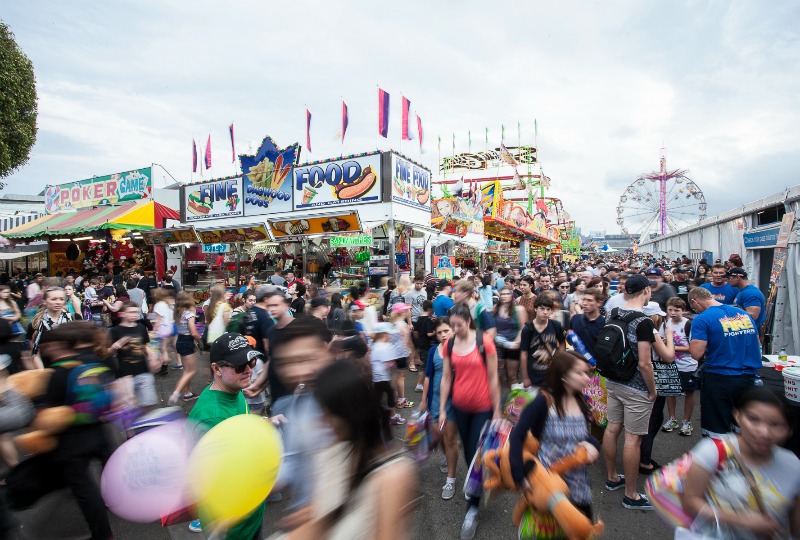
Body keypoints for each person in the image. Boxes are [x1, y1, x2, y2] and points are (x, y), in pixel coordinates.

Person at [271, 361, 416, 540]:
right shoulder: (332, 452)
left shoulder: (392, 476)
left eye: (328, 413)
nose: (322, 421)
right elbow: (319, 522)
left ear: (349, 412)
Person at [23, 323, 114, 540]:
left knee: (86, 492)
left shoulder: (57, 373)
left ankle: (103, 535)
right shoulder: (91, 362)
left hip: (71, 441)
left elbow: (46, 413)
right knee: (109, 470)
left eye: (48, 345)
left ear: (58, 345)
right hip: (98, 430)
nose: (46, 349)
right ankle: (119, 499)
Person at [681, 387, 800, 540]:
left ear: (789, 430)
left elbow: (795, 526)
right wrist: (740, 520)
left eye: (775, 425)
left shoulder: (793, 466)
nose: (764, 432)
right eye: (754, 419)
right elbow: (690, 500)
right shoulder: (712, 452)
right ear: (737, 416)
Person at [187, 332, 265, 539]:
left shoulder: (234, 390)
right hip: (233, 528)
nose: (249, 369)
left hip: (250, 514)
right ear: (216, 369)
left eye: (251, 360)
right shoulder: (212, 419)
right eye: (239, 366)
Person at [508, 351, 601, 518]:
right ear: (563, 375)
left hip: (578, 483)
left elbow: (579, 436)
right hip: (548, 485)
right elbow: (517, 435)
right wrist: (520, 477)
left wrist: (594, 445)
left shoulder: (581, 400)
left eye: (586, 373)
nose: (586, 378)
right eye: (579, 373)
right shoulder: (543, 402)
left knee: (582, 530)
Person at [438, 303, 501, 539]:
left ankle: (472, 507)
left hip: (483, 407)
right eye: (451, 325)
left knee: (476, 455)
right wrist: (443, 409)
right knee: (468, 454)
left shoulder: (484, 342)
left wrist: (497, 410)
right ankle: (477, 487)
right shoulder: (449, 344)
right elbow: (446, 378)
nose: (455, 329)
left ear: (468, 321)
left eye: (459, 324)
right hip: (460, 406)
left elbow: (494, 378)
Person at [601, 274, 657, 510]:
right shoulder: (644, 322)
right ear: (645, 291)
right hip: (635, 386)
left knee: (613, 428)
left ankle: (613, 477)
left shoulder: (614, 313)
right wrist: (652, 390)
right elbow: (645, 363)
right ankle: (631, 495)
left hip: (614, 380)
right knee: (633, 439)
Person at [688, 286, 762, 437]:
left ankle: (720, 459)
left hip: (720, 378)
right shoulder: (743, 314)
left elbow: (696, 353)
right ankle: (741, 458)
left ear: (695, 301)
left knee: (716, 428)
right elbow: (756, 342)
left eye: (694, 307)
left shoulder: (702, 319)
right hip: (748, 378)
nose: (696, 311)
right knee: (742, 425)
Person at [419, 318, 459, 500]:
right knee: (439, 435)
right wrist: (423, 400)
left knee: (450, 439)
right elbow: (428, 377)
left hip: (454, 402)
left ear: (454, 330)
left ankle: (451, 478)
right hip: (435, 400)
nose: (443, 335)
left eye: (446, 331)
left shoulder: (461, 350)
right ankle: (447, 456)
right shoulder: (433, 351)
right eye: (439, 332)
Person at [110, 301, 159, 408]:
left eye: (136, 312)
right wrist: (117, 345)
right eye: (131, 312)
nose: (134, 315)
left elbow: (145, 345)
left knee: (148, 403)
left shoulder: (141, 327)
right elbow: (107, 353)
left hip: (143, 371)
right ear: (121, 314)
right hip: (124, 375)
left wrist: (152, 358)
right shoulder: (115, 331)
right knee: (128, 407)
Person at [660, 297, 697, 436]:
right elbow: (661, 340)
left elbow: (693, 347)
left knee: (689, 392)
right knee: (670, 392)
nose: (673, 313)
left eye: (677, 310)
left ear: (683, 310)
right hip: (670, 363)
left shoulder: (689, 324)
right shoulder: (665, 323)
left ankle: (687, 421)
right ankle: (672, 418)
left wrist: (672, 347)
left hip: (688, 365)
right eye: (670, 310)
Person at [519, 294, 566, 389]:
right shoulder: (528, 329)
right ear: (535, 309)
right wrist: (525, 377)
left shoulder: (556, 326)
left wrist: (560, 363)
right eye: (542, 309)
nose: (545, 312)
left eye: (548, 309)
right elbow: (524, 353)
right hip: (534, 373)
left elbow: (562, 343)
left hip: (551, 372)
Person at [168, 291, 202, 405]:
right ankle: (175, 393)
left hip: (180, 341)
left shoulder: (178, 313)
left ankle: (188, 394)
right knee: (192, 370)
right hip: (187, 341)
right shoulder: (189, 314)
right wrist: (200, 341)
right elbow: (193, 332)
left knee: (186, 370)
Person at [29, 286, 73, 366]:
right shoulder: (35, 324)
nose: (58, 302)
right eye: (53, 299)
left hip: (71, 366)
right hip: (48, 367)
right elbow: (35, 352)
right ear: (44, 301)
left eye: (61, 299)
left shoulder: (73, 319)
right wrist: (42, 372)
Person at [370, 322, 404, 427]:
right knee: (390, 395)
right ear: (385, 334)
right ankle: (391, 417)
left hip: (376, 377)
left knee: (378, 397)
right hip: (383, 378)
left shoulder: (374, 344)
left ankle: (376, 416)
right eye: (390, 334)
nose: (391, 336)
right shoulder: (385, 347)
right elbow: (389, 363)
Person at [493, 286, 526, 387]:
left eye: (507, 294)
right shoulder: (495, 309)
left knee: (512, 375)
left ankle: (515, 400)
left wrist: (516, 342)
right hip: (498, 345)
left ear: (512, 296)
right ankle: (502, 400)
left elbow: (523, 327)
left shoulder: (519, 309)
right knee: (499, 375)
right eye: (503, 294)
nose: (505, 296)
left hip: (513, 345)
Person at [389, 303, 414, 407]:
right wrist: (411, 356)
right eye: (406, 310)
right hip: (401, 354)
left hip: (393, 354)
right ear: (402, 312)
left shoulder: (392, 324)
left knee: (396, 376)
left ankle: (394, 396)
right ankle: (401, 400)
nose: (408, 312)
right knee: (401, 377)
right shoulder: (403, 325)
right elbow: (407, 342)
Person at [150, 287, 176, 374]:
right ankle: (164, 366)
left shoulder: (158, 305)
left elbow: (159, 320)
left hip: (162, 329)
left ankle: (163, 365)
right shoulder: (167, 304)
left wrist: (154, 331)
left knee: (163, 349)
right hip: (169, 328)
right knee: (165, 348)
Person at [412, 300, 436, 391]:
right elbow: (429, 334)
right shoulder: (428, 320)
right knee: (425, 366)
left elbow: (415, 332)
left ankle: (423, 383)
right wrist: (436, 331)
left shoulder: (419, 319)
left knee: (423, 364)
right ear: (430, 309)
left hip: (420, 344)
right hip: (427, 344)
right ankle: (419, 384)